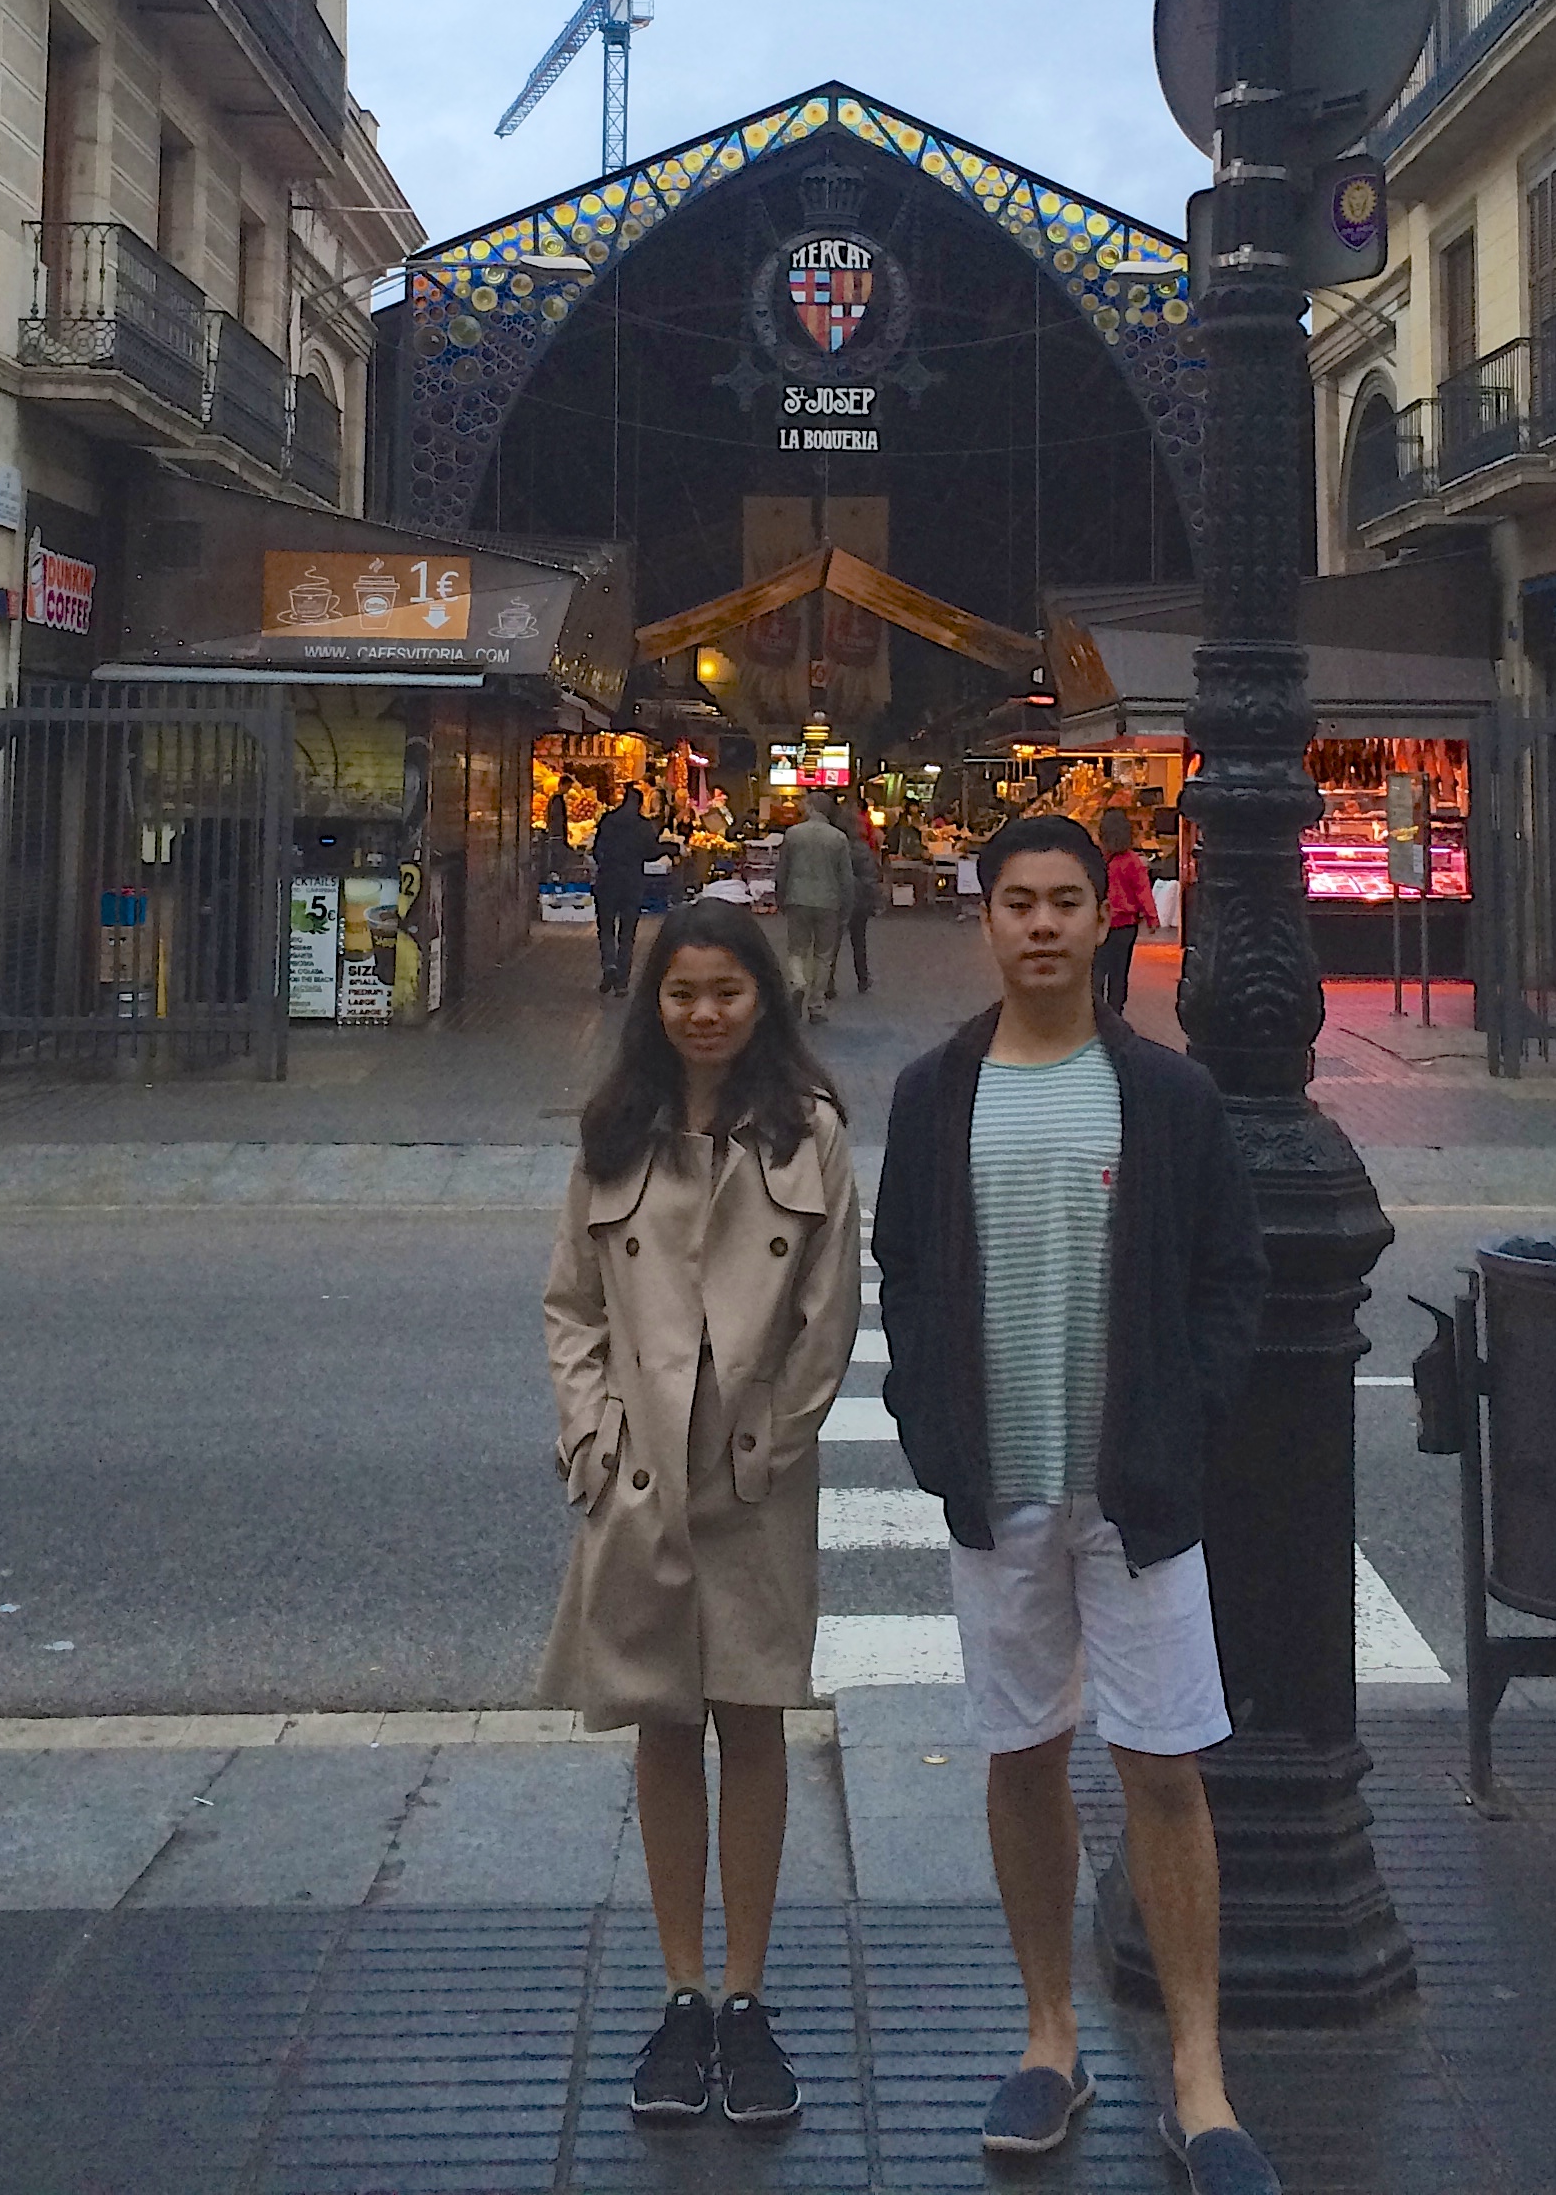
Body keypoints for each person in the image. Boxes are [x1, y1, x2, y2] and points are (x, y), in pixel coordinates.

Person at [872, 814, 1274, 2193]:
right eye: (1017, 903)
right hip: (1001, 1485)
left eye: (1064, 902)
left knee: (1163, 1766)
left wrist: (1186, 1418)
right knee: (1023, 1757)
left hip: (1135, 1492)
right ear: (984, 920)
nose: (1041, 924)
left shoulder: (1166, 1095)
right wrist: (931, 1427)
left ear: (1107, 918)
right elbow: (905, 1270)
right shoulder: (936, 1093)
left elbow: (1231, 1274)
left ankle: (1200, 2079)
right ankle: (1051, 2037)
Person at [539, 901, 861, 2132]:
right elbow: (572, 1305)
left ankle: (745, 1992)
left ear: (763, 999)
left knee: (755, 1718)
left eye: (727, 991)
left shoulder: (808, 1131)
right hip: (641, 1474)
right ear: (655, 1004)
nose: (705, 1012)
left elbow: (828, 1311)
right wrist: (593, 1438)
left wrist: (777, 1434)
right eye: (683, 993)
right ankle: (682, 1989)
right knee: (662, 1723)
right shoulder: (615, 1131)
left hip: (753, 1469)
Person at [772, 789, 852, 1020]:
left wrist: (780, 897)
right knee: (824, 955)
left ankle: (798, 982)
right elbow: (846, 878)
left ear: (811, 808)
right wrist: (846, 907)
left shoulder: (793, 834)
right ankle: (816, 1005)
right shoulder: (839, 838)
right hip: (829, 901)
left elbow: (783, 870)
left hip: (797, 898)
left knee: (797, 949)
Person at [590, 782, 651, 997]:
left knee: (606, 927)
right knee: (627, 933)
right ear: (639, 804)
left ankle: (609, 964)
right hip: (632, 883)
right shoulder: (643, 825)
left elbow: (597, 849)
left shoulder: (608, 820)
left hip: (608, 881)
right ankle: (622, 982)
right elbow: (651, 852)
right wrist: (670, 849)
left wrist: (605, 864)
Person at [1096, 806, 1156, 1018]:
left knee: (1097, 970)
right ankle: (1115, 1014)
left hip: (1100, 924)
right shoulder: (1132, 861)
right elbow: (1142, 890)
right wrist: (1151, 918)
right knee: (1119, 972)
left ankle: (1096, 1013)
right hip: (1126, 926)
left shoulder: (1097, 859)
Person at [843, 804, 883, 994]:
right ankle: (863, 978)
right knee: (859, 940)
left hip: (837, 898)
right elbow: (869, 877)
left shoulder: (837, 844)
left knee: (830, 943)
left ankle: (827, 983)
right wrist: (875, 901)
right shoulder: (862, 849)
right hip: (859, 899)